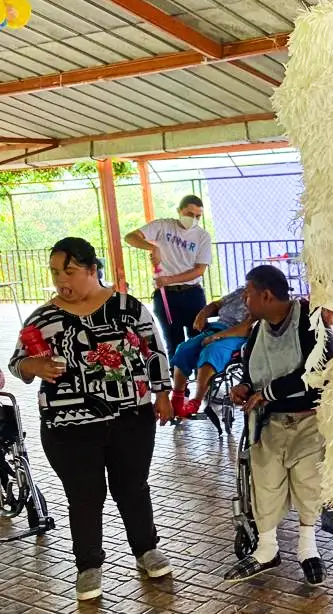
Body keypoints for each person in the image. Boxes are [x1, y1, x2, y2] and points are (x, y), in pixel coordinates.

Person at [8, 238, 174, 602]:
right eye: (54, 272)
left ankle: (146, 550)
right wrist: (32, 366)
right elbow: (17, 362)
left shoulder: (128, 307)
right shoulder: (43, 318)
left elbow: (154, 349)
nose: (60, 279)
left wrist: (163, 394)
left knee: (132, 486)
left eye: (68, 271)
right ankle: (88, 566)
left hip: (131, 416)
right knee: (83, 495)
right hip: (68, 425)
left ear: (91, 270)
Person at [222, 265, 333, 586]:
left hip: (308, 419)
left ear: (266, 295)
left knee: (308, 479)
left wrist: (266, 393)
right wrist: (244, 387)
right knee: (265, 479)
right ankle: (267, 549)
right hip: (270, 421)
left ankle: (307, 549)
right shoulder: (258, 329)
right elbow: (250, 371)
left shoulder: (310, 321)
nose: (245, 300)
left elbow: (319, 373)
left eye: (248, 294)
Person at [125, 195, 212, 357]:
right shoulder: (163, 226)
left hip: (192, 293)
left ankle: (202, 380)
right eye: (189, 214)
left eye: (198, 216)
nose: (193, 219)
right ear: (179, 211)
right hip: (166, 296)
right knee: (173, 341)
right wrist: (151, 247)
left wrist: (169, 279)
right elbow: (130, 237)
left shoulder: (203, 237)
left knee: (198, 340)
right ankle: (178, 379)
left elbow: (200, 270)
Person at [169, 286, 252, 418]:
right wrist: (203, 314)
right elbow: (217, 304)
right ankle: (177, 398)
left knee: (211, 351)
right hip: (217, 328)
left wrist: (216, 337)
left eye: (251, 286)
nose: (246, 289)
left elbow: (246, 327)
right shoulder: (240, 292)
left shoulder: (258, 301)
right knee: (184, 348)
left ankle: (196, 401)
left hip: (238, 336)